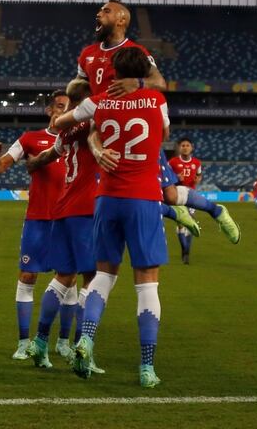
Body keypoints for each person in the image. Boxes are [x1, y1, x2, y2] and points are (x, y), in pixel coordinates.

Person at [75, 0, 238, 244]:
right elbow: (80, 87)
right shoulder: (87, 54)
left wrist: (137, 83)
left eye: (105, 11)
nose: (98, 14)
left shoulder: (136, 52)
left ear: (121, 20)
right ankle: (175, 214)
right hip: (105, 129)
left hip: (134, 132)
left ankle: (216, 211)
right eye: (99, 10)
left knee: (169, 195)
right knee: (114, 196)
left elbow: (160, 82)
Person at [54, 47, 170, 388]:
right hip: (144, 198)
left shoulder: (98, 101)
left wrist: (91, 134)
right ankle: (147, 368)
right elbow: (163, 137)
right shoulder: (155, 101)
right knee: (147, 283)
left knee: (103, 276)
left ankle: (86, 339)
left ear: (112, 70)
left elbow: (61, 123)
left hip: (107, 198)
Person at [22, 79, 105, 372]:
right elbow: (96, 141)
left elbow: (44, 158)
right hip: (85, 209)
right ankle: (85, 350)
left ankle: (40, 341)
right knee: (93, 280)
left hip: (62, 210)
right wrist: (100, 153)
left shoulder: (65, 132)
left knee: (63, 276)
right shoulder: (90, 125)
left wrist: (31, 164)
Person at [0, 90, 68, 360]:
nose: (62, 110)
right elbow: (1, 167)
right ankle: (23, 342)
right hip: (38, 219)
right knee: (27, 277)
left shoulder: (80, 139)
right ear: (49, 110)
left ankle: (63, 342)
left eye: (68, 106)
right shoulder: (30, 139)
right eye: (58, 106)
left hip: (70, 219)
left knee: (69, 281)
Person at [168, 138, 202, 264]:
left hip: (191, 196)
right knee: (181, 223)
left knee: (191, 224)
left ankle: (187, 250)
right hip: (178, 195)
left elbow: (199, 174)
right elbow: (165, 175)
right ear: (179, 147)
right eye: (183, 145)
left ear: (191, 147)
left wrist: (198, 180)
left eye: (187, 145)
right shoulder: (173, 162)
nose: (185, 147)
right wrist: (176, 177)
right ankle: (184, 250)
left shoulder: (197, 162)